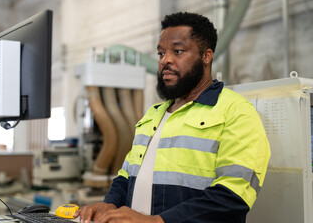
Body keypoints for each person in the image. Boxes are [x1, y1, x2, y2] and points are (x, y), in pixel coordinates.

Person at [74, 12, 271, 223]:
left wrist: (158, 221)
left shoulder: (236, 111)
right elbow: (126, 175)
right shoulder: (153, 115)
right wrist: (109, 204)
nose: (165, 60)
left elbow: (233, 197)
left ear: (206, 56)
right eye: (160, 54)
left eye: (177, 51)